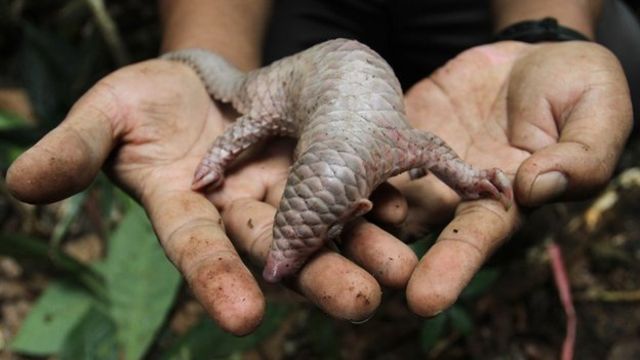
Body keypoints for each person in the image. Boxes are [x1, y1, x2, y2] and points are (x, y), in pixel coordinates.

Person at [6, 0, 636, 336]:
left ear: (359, 206)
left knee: (625, 48)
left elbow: (441, 156)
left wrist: (544, 33)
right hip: (303, 69)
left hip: (439, 33)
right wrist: (221, 142)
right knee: (253, 109)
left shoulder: (393, 144)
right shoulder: (390, 144)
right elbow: (436, 153)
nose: (280, 264)